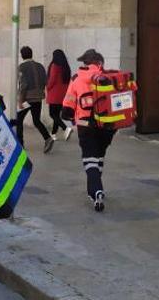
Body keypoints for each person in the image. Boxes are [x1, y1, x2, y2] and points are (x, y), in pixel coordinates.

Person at [62, 49, 115, 212]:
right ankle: (93, 190)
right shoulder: (109, 77)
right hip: (107, 126)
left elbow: (68, 104)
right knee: (99, 156)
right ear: (100, 63)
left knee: (89, 159)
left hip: (86, 125)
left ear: (86, 63)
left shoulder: (77, 78)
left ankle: (96, 191)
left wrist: (69, 117)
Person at [15, 46, 54, 153]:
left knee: (19, 120)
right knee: (36, 120)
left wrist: (21, 100)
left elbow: (23, 85)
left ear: (22, 55)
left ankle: (20, 144)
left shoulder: (21, 67)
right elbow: (46, 81)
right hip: (38, 97)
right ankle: (47, 138)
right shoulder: (40, 66)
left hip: (27, 98)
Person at [46, 49, 73, 141]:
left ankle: (65, 128)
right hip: (63, 94)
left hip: (54, 94)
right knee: (56, 115)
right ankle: (53, 134)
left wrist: (47, 87)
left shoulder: (54, 65)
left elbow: (52, 79)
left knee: (52, 114)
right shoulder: (66, 67)